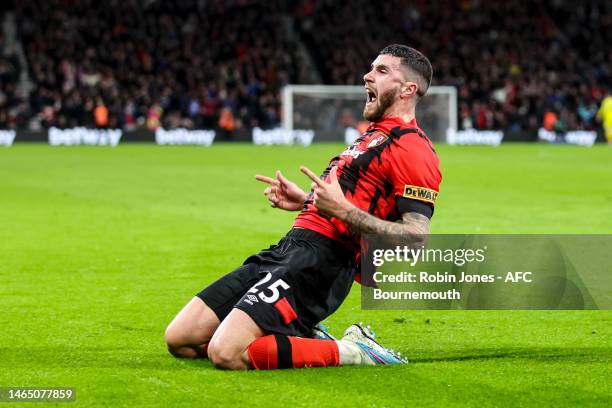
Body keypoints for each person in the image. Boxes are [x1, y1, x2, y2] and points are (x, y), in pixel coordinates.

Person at [164, 44, 442, 370]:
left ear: (408, 89)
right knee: (180, 339)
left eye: (382, 71)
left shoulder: (413, 147)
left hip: (322, 263)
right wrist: (305, 203)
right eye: (371, 68)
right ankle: (306, 337)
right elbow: (351, 200)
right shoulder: (370, 137)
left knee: (226, 353)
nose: (367, 75)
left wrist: (342, 211)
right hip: (288, 248)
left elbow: (416, 238)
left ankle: (355, 351)